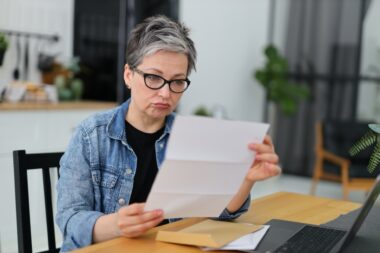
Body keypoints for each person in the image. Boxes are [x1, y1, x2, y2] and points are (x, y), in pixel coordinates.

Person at [56, 15, 281, 252]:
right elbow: (69, 219)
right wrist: (115, 225)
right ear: (128, 75)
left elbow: (218, 214)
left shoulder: (191, 136)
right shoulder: (91, 136)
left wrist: (246, 179)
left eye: (177, 82)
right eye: (154, 77)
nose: (166, 93)